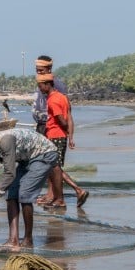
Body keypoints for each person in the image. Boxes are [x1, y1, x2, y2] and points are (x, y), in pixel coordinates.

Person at [0, 123, 58, 250]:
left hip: (44, 153)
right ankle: (13, 240)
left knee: (24, 194)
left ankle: (28, 240)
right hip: (26, 158)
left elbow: (9, 173)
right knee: (10, 193)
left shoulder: (5, 140)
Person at [32, 55, 89, 207]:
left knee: (53, 165)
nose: (38, 72)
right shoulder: (43, 83)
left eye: (41, 70)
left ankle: (58, 195)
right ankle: (55, 195)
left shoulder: (56, 87)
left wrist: (69, 134)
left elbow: (66, 115)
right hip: (46, 127)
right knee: (51, 164)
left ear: (49, 69)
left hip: (52, 129)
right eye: (37, 70)